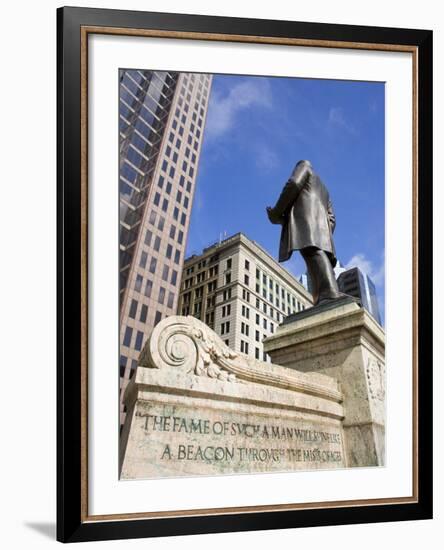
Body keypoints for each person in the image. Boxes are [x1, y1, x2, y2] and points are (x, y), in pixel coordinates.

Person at [266, 160, 347, 306]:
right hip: (322, 231)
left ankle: (329, 293)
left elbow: (294, 184)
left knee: (312, 252)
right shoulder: (325, 190)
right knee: (314, 257)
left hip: (305, 221)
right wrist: (325, 234)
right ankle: (323, 296)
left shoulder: (304, 166)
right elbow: (332, 218)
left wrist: (276, 212)